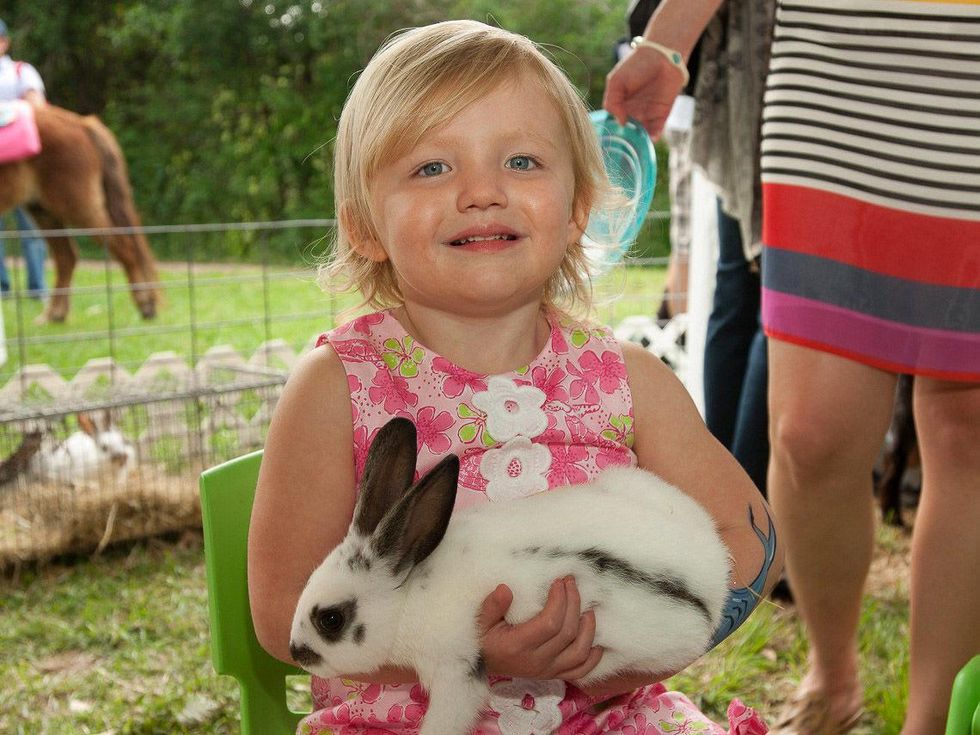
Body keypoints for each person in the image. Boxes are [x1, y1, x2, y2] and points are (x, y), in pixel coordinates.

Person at [249, 20, 782, 734]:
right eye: (432, 167)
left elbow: (752, 542)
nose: (482, 191)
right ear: (363, 228)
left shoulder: (627, 381)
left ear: (577, 211)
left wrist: (636, 657)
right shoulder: (337, 386)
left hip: (609, 719)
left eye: (523, 162)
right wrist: (465, 649)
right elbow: (285, 609)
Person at [605, 2, 980, 734]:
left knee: (968, 430)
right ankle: (832, 676)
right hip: (833, 74)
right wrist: (670, 39)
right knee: (810, 435)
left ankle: (930, 720)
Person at [612, 1, 773, 496]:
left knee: (744, 294)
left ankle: (722, 508)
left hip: (744, 82)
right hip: (772, 72)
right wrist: (662, 46)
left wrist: (663, 46)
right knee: (767, 305)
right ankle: (744, 513)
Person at [0, 17, 48, 298]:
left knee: (31, 226)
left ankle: (37, 287)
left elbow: (37, 108)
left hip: (21, 163)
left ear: (5, 42)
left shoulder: (21, 72)